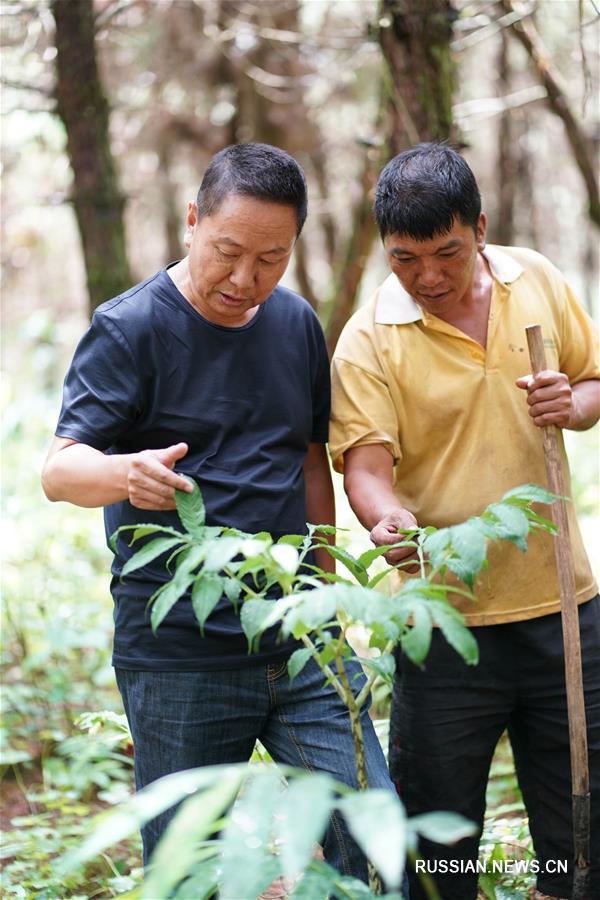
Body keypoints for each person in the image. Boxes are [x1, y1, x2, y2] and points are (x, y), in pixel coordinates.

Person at [41, 143, 396, 885]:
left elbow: (307, 463)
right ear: (192, 221)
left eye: (272, 257)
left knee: (372, 839)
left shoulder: (295, 325)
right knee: (187, 873)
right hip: (181, 656)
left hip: (301, 640)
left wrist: (325, 597)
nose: (245, 278)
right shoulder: (129, 328)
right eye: (228, 252)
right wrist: (120, 472)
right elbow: (59, 470)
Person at [329, 142, 600, 899]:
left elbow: (591, 381)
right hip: (443, 624)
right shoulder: (368, 338)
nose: (429, 277)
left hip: (565, 610)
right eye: (405, 258)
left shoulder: (536, 279)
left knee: (577, 838)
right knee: (439, 847)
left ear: (480, 227)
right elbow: (366, 469)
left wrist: (569, 404)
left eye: (447, 252)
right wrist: (386, 521)